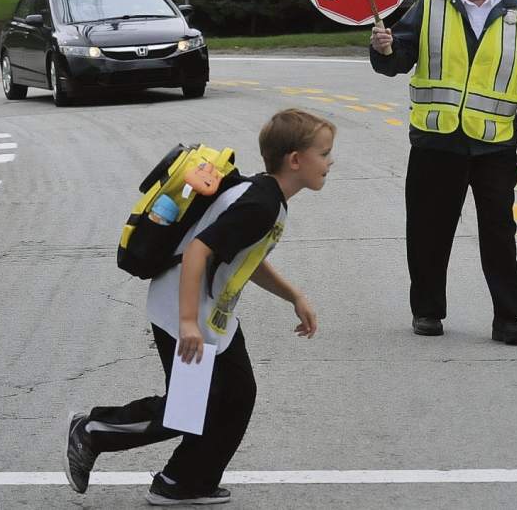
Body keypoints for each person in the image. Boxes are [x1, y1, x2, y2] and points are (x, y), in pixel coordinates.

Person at [64, 108, 336, 504]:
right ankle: (92, 431)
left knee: (237, 396)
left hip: (211, 313)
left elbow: (242, 256)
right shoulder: (260, 203)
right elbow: (197, 251)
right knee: (187, 409)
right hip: (183, 312)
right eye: (324, 153)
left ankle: (184, 481)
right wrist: (189, 322)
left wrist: (294, 295)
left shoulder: (268, 199)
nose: (330, 162)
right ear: (295, 160)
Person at [370, 0, 517, 344]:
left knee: (499, 232)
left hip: (493, 145)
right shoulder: (430, 2)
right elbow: (397, 58)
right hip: (436, 142)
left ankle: (508, 317)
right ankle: (428, 311)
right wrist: (384, 48)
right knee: (428, 230)